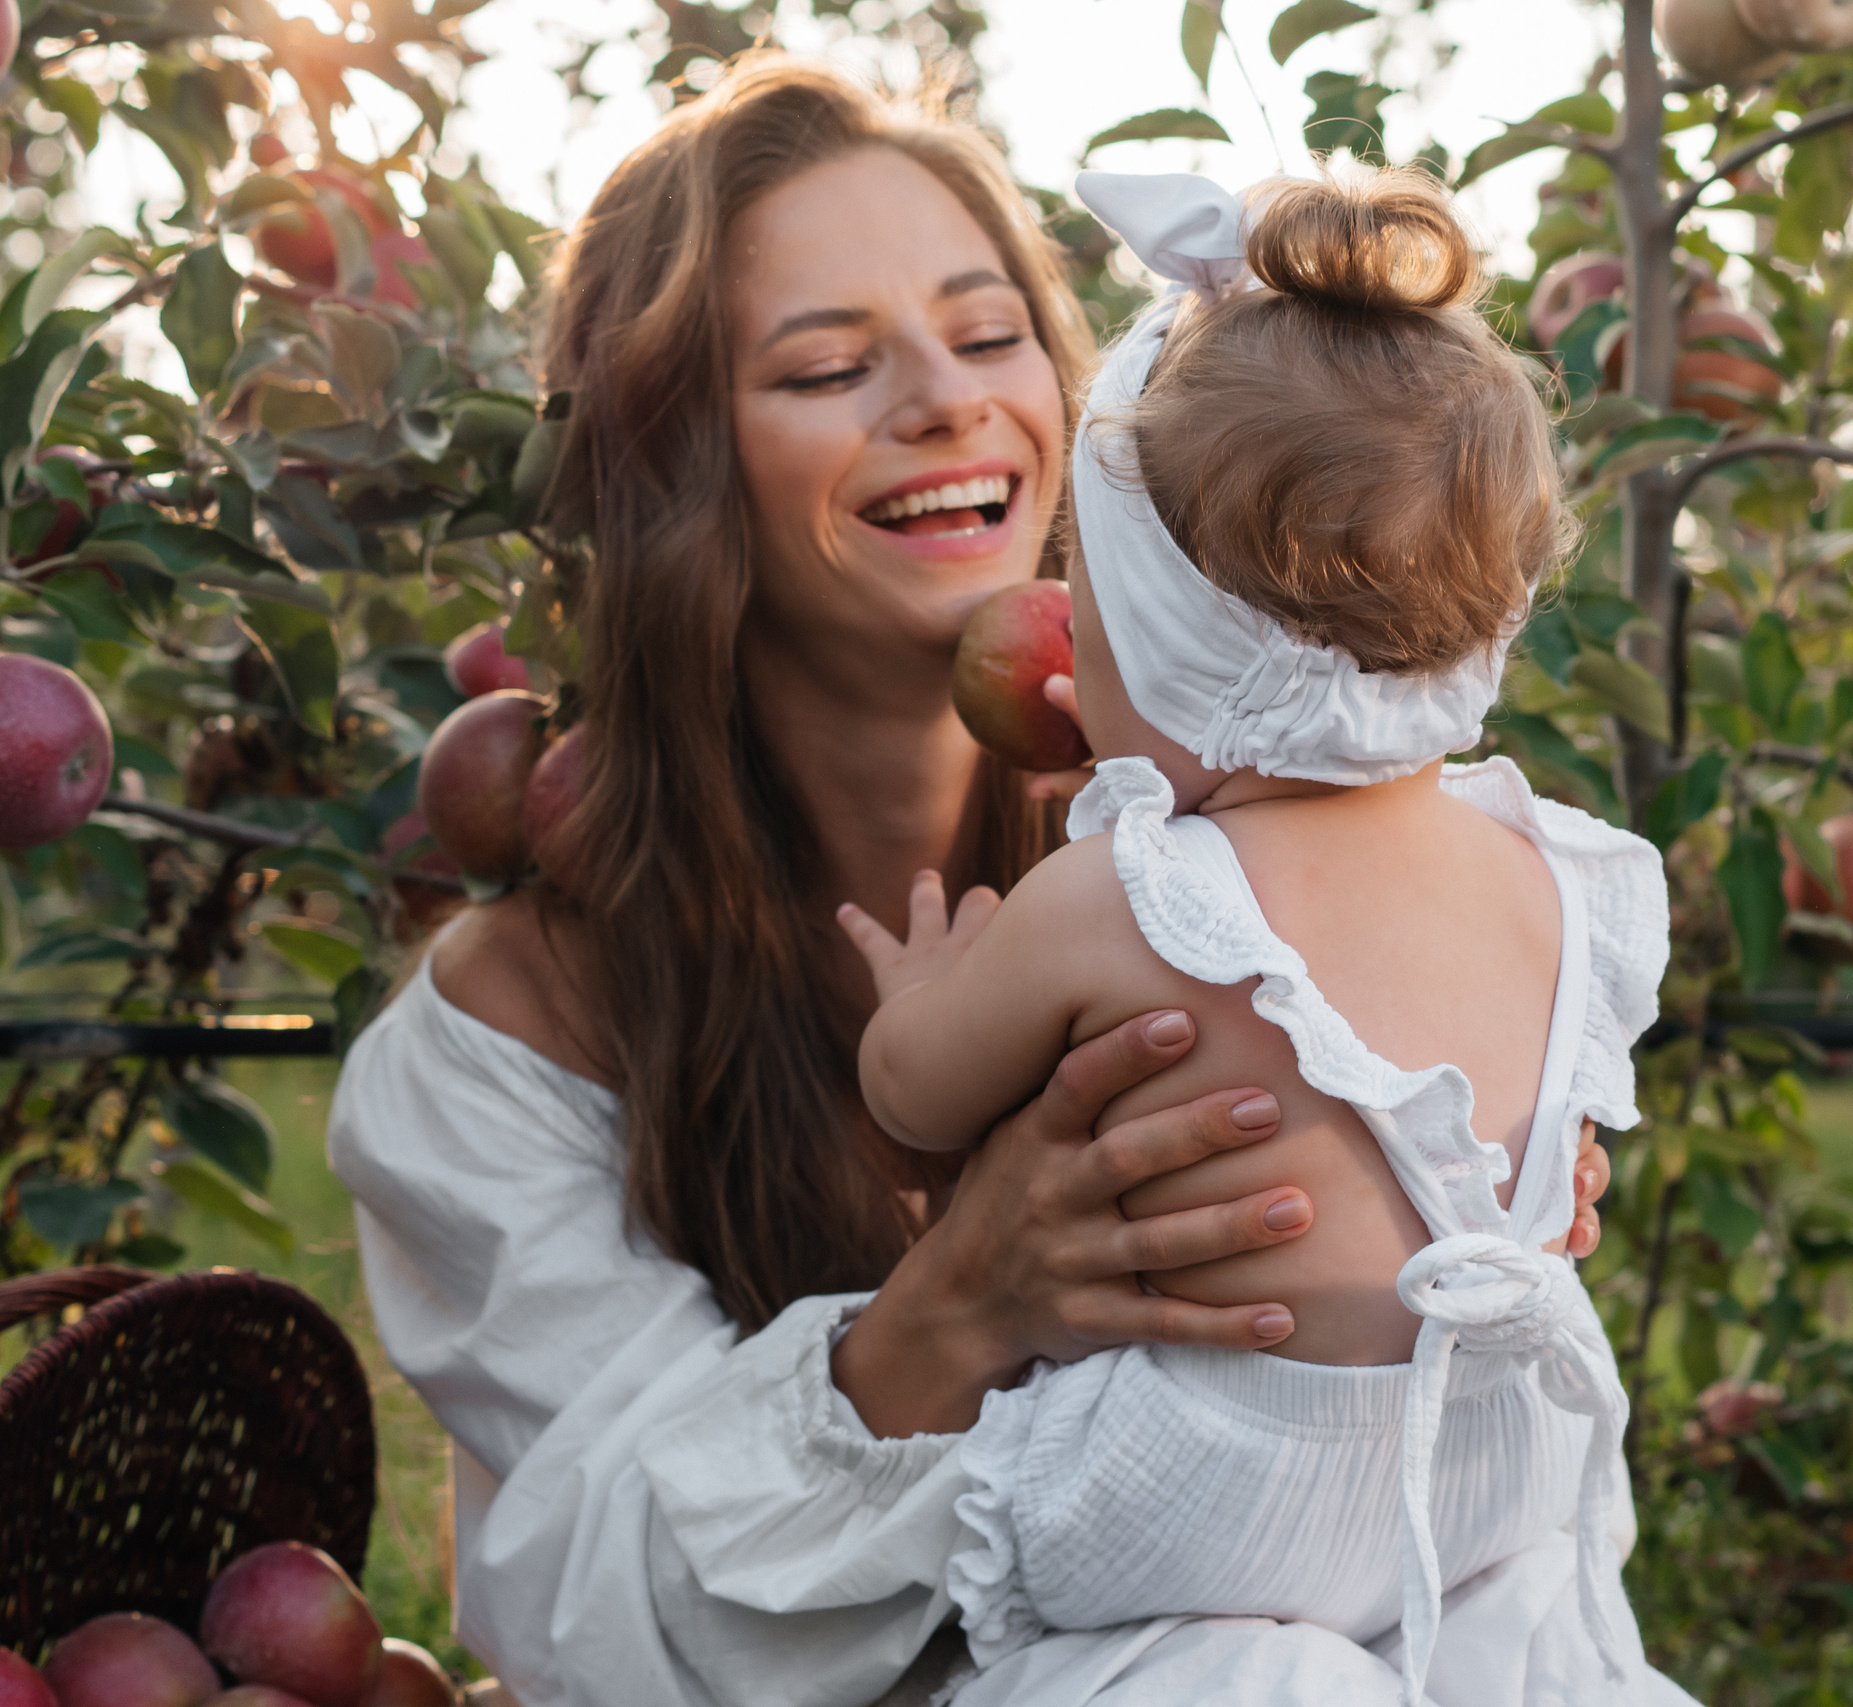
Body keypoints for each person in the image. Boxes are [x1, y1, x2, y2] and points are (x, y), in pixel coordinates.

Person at [326, 57, 1611, 1707]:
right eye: (828, 364)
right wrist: (957, 1304)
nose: (946, 400)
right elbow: (599, 1627)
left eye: (991, 336)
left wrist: (1478, 1176)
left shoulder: (1246, 868)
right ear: (672, 470)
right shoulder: (513, 1034)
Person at [839, 167, 1688, 1707]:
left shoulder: (1129, 896)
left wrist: (922, 990)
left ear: (1170, 648)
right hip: (1494, 1452)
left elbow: (916, 1102)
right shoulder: (1550, 870)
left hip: (1217, 1482)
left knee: (1147, 1661)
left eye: (1093, 623)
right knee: (1501, 1638)